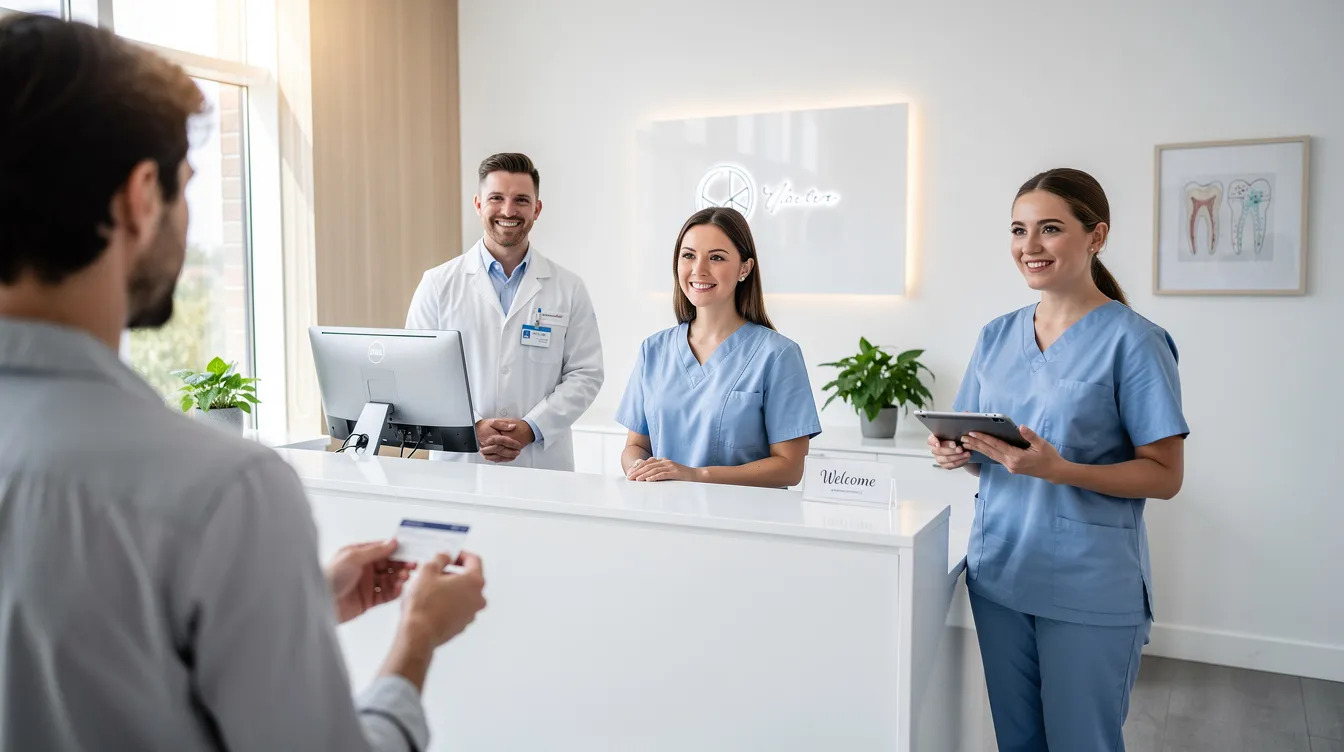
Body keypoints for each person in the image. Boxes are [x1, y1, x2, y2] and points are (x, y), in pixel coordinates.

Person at [0, 17, 486, 751]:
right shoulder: (224, 492)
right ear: (140, 196)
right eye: (187, 185)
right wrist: (416, 637)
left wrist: (289, 606)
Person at [929, 168, 1189, 751]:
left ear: (1095, 237)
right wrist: (958, 451)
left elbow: (1166, 476)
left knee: (1082, 742)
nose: (1030, 247)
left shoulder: (1136, 342)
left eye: (1050, 229)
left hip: (1089, 586)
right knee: (1018, 742)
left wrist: (1059, 469)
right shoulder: (996, 336)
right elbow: (989, 452)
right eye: (1019, 231)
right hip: (1000, 574)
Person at [406, 153, 603, 470]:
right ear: (478, 204)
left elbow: (586, 374)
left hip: (540, 464)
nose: (509, 211)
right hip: (460, 463)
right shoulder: (437, 285)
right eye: (496, 198)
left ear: (536, 209)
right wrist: (472, 427)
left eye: (521, 200)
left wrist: (532, 428)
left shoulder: (568, 288)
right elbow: (417, 373)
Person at [616, 207, 821, 487]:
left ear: (744, 268)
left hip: (743, 522)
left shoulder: (777, 355)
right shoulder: (653, 350)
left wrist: (696, 474)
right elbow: (635, 446)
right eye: (688, 255)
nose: (699, 270)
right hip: (663, 515)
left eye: (716, 258)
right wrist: (642, 469)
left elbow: (790, 467)